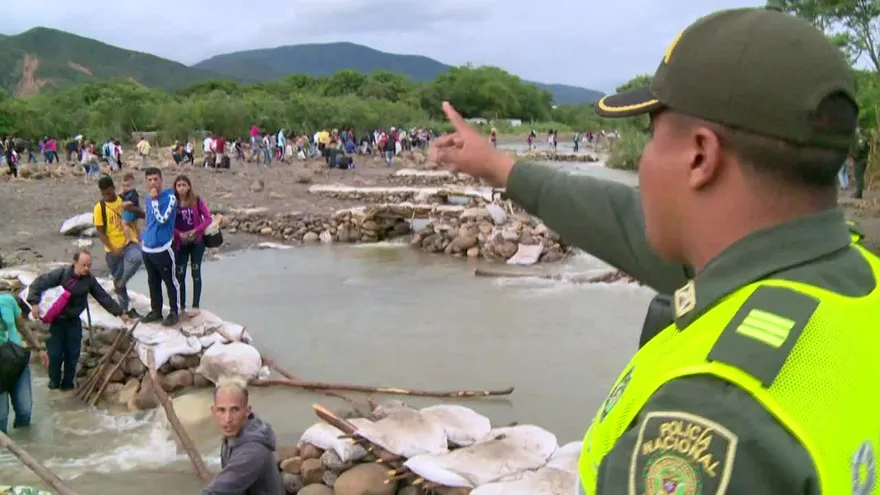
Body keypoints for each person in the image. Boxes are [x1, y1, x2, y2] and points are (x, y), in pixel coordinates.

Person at [430, 7, 878, 494]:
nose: (642, 163)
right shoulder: (853, 272)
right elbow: (620, 219)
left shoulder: (709, 421)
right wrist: (498, 166)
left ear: (700, 156)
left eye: (650, 134)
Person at [27, 251, 129, 390]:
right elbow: (39, 283)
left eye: (89, 265)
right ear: (75, 263)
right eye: (83, 265)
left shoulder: (89, 280)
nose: (86, 268)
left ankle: (68, 385)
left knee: (72, 355)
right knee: (55, 355)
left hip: (73, 321)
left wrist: (119, 313)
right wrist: (34, 303)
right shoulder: (61, 274)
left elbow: (102, 296)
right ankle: (54, 383)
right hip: (56, 322)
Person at [202, 380, 283, 495]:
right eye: (221, 410)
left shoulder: (252, 451)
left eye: (235, 410)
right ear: (213, 411)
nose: (228, 419)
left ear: (247, 411)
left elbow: (215, 492)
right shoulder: (233, 434)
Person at [95, 176, 144, 318]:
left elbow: (141, 214)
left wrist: (131, 208)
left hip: (130, 242)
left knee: (137, 258)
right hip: (112, 250)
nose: (106, 196)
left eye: (109, 193)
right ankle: (124, 311)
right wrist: (112, 248)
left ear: (113, 188)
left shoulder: (123, 200)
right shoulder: (99, 208)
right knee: (117, 281)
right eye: (103, 194)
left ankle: (123, 281)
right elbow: (100, 232)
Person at [0, 292, 48, 433]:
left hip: (17, 360)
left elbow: (22, 327)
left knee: (25, 410)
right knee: (1, 417)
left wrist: (39, 348)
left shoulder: (8, 301)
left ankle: (25, 442)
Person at [140, 167, 180, 326]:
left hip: (163, 248)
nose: (153, 183)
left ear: (161, 180)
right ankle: (156, 310)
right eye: (149, 180)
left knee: (170, 281)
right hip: (147, 248)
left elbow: (162, 219)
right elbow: (149, 219)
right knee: (152, 281)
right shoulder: (148, 199)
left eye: (155, 179)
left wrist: (155, 200)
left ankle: (174, 311)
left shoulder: (170, 198)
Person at [173, 175, 213, 317]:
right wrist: (178, 234)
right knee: (180, 274)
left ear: (189, 186)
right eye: (179, 185)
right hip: (181, 242)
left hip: (197, 242)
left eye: (184, 185)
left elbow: (208, 219)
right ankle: (181, 306)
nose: (181, 188)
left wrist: (196, 230)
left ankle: (196, 305)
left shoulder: (197, 200)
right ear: (175, 187)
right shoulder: (173, 203)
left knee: (196, 272)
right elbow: (168, 223)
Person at [120, 173, 142, 246]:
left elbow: (134, 201)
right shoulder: (124, 192)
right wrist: (121, 193)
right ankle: (139, 237)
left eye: (128, 186)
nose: (125, 188)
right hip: (131, 210)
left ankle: (128, 238)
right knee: (135, 224)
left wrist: (126, 203)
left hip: (131, 210)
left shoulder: (133, 192)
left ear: (132, 185)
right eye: (123, 186)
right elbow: (119, 198)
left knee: (124, 223)